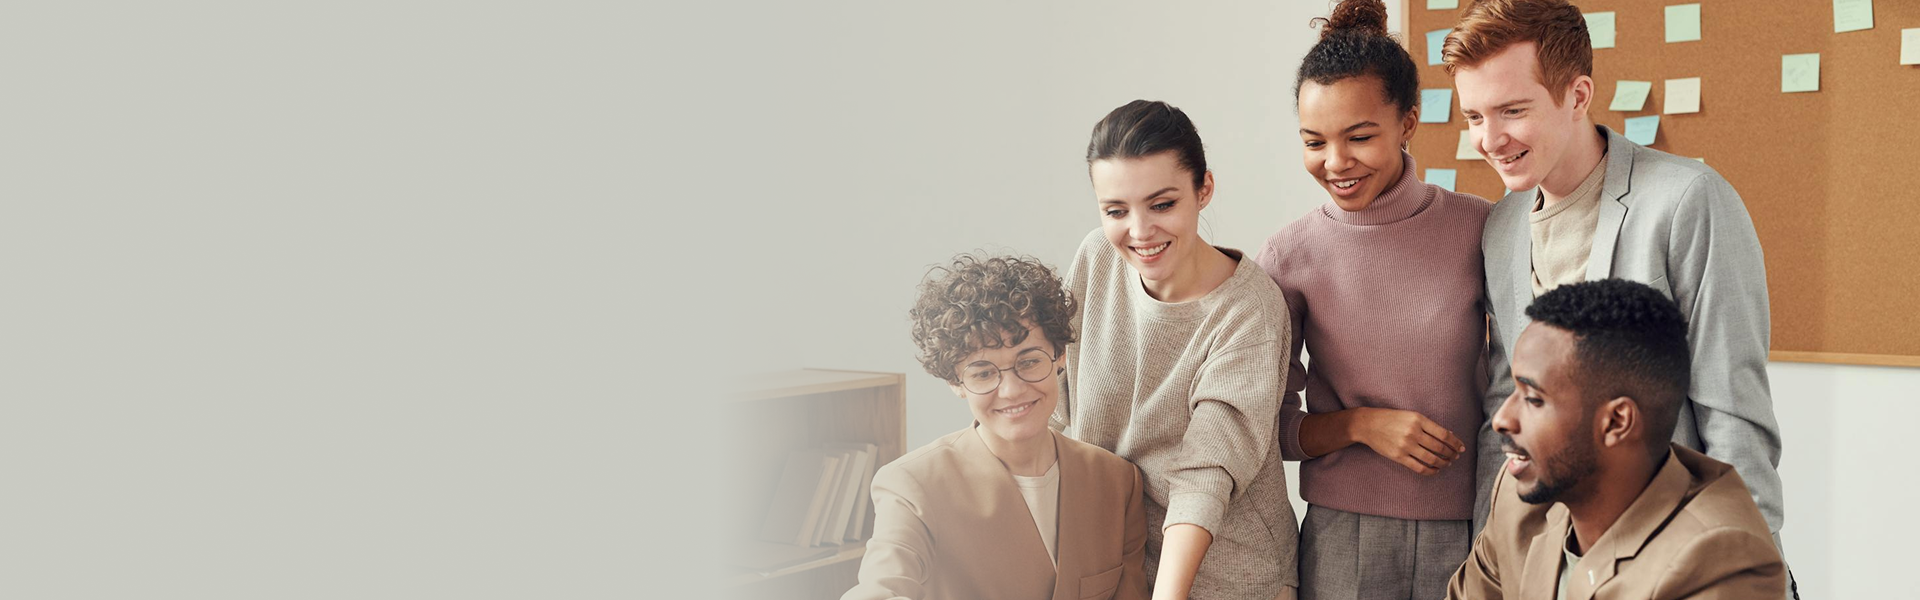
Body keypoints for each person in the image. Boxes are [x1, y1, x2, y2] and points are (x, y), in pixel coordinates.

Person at [1440, 0, 1787, 564]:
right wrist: (1494, 552)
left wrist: (1745, 570)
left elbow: (1733, 412)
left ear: (1578, 96)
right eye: (1474, 117)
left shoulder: (1686, 201)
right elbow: (1506, 404)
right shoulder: (1501, 228)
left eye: (1512, 111)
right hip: (1551, 560)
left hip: (1673, 554)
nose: (1490, 138)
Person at [1252, 1, 1491, 598]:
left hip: (1473, 528)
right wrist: (1361, 425)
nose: (1336, 163)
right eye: (1314, 142)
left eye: (1359, 137)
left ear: (1408, 122)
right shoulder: (1288, 256)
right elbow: (1266, 427)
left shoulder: (1483, 229)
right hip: (1342, 537)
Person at [1055, 100, 1296, 600]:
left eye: (1162, 205)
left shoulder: (1249, 308)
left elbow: (1207, 470)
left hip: (1229, 575)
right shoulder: (1096, 260)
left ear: (1203, 189)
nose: (1140, 231)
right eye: (1116, 211)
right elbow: (1059, 407)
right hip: (1116, 562)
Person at [1446, 278, 1785, 599]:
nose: (1502, 419)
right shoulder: (1519, 499)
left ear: (1616, 422)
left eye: (1533, 399)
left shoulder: (1721, 561)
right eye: (1513, 390)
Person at [844, 254, 1148, 600]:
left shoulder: (1117, 481)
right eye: (984, 373)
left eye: (1029, 362)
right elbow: (878, 590)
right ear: (955, 382)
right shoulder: (912, 486)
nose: (1012, 390)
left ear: (1060, 355)